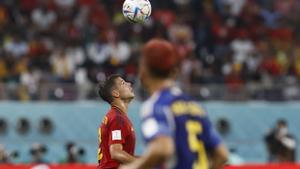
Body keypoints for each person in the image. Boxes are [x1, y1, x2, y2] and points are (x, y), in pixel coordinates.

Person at [120, 39, 228, 169]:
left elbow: (162, 148)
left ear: (143, 72)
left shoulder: (156, 106)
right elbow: (222, 155)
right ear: (174, 72)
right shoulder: (195, 106)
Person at [97, 74, 137, 169]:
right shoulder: (117, 119)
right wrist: (145, 164)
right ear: (116, 93)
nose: (129, 84)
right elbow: (116, 153)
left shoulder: (116, 116)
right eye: (123, 83)